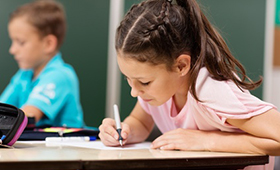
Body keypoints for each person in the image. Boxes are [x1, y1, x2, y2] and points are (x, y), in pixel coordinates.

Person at [98, 0, 280, 169]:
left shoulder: (210, 91)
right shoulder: (157, 91)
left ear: (181, 66)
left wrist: (207, 141)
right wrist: (123, 132)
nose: (134, 92)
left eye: (144, 82)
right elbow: (140, 122)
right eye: (128, 79)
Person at [0, 0, 84, 128]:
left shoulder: (60, 75)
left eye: (21, 42)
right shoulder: (24, 75)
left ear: (48, 44)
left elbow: (27, 117)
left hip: (66, 146)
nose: (12, 50)